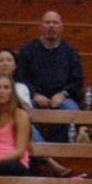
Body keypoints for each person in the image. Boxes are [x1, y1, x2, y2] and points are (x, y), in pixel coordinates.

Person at [16, 11, 84, 143]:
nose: (51, 26)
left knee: (74, 112)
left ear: (61, 27)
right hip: (33, 97)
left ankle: (53, 146)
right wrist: (34, 94)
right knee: (23, 114)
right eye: (47, 22)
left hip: (62, 98)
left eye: (55, 23)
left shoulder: (70, 52)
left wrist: (63, 94)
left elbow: (77, 79)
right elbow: (20, 77)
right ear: (41, 26)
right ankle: (41, 148)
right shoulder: (27, 50)